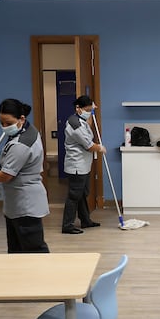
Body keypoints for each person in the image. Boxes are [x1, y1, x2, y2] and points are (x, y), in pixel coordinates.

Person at [0, 98, 50, 253]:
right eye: (1, 123)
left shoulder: (21, 144)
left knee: (34, 250)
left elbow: (6, 175)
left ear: (21, 119)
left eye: (8, 123)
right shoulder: (28, 129)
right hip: (17, 203)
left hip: (25, 204)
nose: (4, 127)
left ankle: (42, 276)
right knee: (16, 250)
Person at [61, 95, 106, 234]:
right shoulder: (75, 124)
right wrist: (99, 148)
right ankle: (67, 225)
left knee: (82, 194)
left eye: (90, 109)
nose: (89, 112)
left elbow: (89, 130)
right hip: (76, 165)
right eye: (87, 109)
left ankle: (85, 220)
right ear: (78, 108)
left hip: (83, 165)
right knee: (74, 195)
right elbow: (88, 145)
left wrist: (92, 111)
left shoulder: (81, 120)